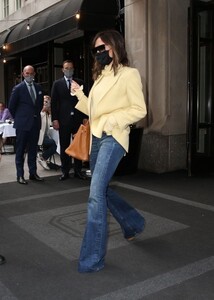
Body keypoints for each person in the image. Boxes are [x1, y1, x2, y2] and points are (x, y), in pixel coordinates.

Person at [71, 29, 147, 273]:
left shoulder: (129, 74)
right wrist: (80, 95)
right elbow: (94, 112)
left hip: (113, 138)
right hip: (96, 139)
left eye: (101, 47)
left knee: (95, 195)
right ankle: (132, 223)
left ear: (114, 46)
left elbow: (139, 109)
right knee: (100, 189)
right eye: (95, 49)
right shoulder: (101, 77)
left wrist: (113, 121)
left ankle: (92, 259)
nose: (98, 53)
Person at [51, 59, 88, 180]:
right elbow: (54, 103)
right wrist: (54, 119)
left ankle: (78, 170)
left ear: (73, 69)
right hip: (63, 120)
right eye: (66, 68)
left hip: (78, 119)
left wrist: (85, 117)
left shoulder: (80, 82)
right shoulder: (57, 84)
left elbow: (85, 100)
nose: (68, 70)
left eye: (71, 68)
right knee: (64, 145)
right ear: (62, 70)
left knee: (78, 145)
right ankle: (65, 171)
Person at [9, 65, 44, 184]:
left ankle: (33, 173)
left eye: (31, 73)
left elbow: (39, 105)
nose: (29, 75)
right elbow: (11, 107)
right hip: (22, 125)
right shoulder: (18, 88)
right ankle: (20, 175)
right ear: (23, 74)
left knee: (33, 150)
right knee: (20, 151)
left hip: (35, 124)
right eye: (27, 73)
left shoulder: (38, 87)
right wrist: (20, 118)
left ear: (34, 74)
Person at [37, 95, 57, 170]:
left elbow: (51, 123)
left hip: (45, 136)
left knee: (51, 143)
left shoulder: (47, 114)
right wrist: (43, 110)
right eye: (45, 101)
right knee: (53, 144)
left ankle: (45, 159)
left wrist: (50, 112)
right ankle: (43, 157)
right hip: (39, 136)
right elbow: (38, 119)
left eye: (48, 102)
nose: (46, 103)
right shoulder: (40, 111)